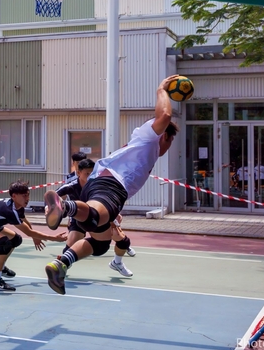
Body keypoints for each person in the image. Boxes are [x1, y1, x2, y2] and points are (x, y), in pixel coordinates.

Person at [42, 74, 180, 295]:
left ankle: (61, 264)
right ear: (165, 137)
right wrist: (161, 90)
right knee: (96, 216)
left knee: (100, 244)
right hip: (112, 183)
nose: (169, 146)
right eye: (171, 140)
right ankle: (65, 207)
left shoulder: (147, 148)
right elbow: (164, 114)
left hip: (106, 184)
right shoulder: (149, 137)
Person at [0, 180, 66, 291]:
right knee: (5, 242)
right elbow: (28, 232)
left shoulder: (18, 206)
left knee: (15, 239)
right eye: (24, 196)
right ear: (14, 196)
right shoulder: (10, 211)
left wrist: (35, 237)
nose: (27, 198)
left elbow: (25, 223)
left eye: (28, 195)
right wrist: (54, 238)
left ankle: (0, 268)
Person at [56, 158, 135, 277]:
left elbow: (109, 200)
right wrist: (50, 208)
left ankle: (117, 263)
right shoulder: (71, 186)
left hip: (99, 216)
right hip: (79, 219)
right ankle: (62, 265)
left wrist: (114, 214)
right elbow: (54, 197)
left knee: (122, 241)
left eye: (92, 173)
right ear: (78, 173)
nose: (89, 176)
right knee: (71, 244)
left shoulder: (98, 184)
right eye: (86, 173)